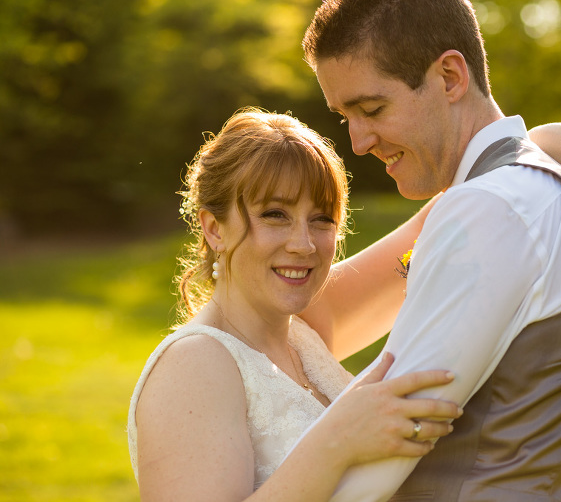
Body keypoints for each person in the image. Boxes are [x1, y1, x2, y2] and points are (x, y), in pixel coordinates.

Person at [297, 0, 561, 500]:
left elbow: (384, 446)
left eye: (372, 108)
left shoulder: (490, 208)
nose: (358, 142)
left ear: (451, 77)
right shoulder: (553, 187)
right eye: (347, 117)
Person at [127, 109, 464, 502]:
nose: (303, 244)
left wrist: (529, 143)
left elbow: (434, 224)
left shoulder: (305, 332)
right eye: (275, 215)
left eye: (321, 219)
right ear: (214, 228)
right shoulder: (194, 364)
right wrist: (338, 441)